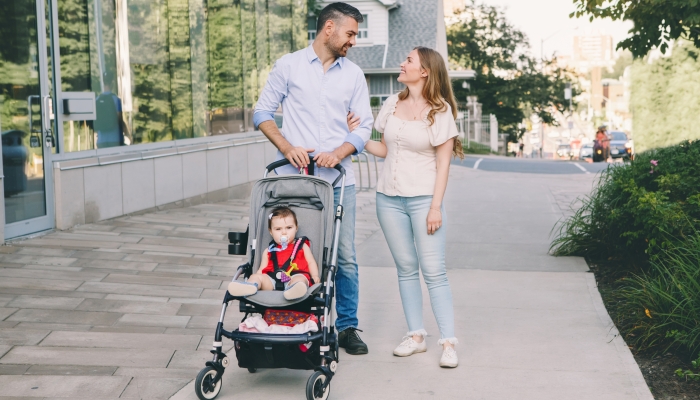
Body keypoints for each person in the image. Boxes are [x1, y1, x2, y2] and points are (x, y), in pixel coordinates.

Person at [253, 2, 373, 355]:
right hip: (294, 182)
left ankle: (347, 326)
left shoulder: (353, 75)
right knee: (290, 249)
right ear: (329, 29)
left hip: (337, 182)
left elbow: (364, 126)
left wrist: (339, 152)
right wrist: (287, 147)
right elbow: (261, 112)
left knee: (345, 256)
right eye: (350, 33)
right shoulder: (289, 65)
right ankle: (288, 316)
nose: (353, 40)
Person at [350, 46, 462, 368]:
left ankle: (448, 343)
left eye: (409, 60)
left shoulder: (440, 112)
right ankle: (415, 336)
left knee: (434, 272)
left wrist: (436, 207)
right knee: (405, 269)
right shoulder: (392, 104)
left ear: (424, 71)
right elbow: (384, 149)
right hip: (389, 199)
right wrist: (353, 137)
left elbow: (444, 165)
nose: (402, 63)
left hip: (424, 200)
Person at [228, 207, 319, 301]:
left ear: (296, 228)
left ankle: (294, 290)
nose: (284, 232)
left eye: (289, 227)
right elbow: (261, 270)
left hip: (294, 276)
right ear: (271, 232)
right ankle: (250, 286)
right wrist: (257, 277)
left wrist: (315, 276)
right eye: (278, 229)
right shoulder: (269, 250)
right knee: (256, 276)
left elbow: (311, 262)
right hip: (272, 280)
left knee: (300, 279)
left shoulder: (302, 246)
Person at [94, 72, 130, 148]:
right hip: (115, 140)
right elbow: (119, 120)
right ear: (112, 83)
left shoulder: (97, 100)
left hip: (101, 141)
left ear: (103, 83)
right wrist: (128, 134)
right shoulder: (116, 100)